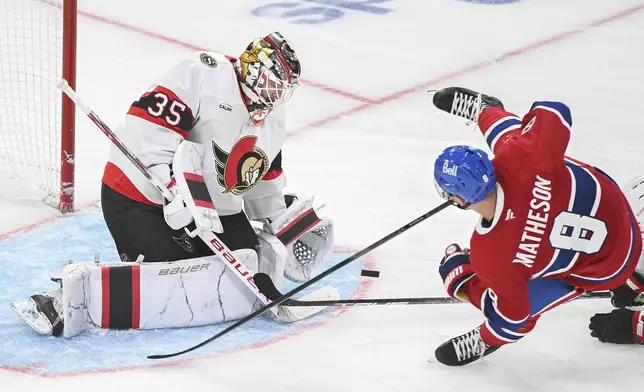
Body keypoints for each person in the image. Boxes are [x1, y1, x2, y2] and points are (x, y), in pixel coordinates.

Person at [10, 32, 335, 337]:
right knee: (171, 273)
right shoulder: (203, 75)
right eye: (271, 84)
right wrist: (170, 189)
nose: (275, 96)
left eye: (282, 90)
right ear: (252, 69)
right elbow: (147, 132)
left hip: (207, 205)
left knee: (249, 257)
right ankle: (65, 299)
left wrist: (278, 218)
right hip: (139, 197)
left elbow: (260, 173)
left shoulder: (274, 118)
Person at [429, 87, 644, 366]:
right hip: (618, 228)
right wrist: (508, 128)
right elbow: (552, 113)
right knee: (519, 143)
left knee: (515, 300)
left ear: (457, 199)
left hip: (607, 259)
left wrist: (468, 286)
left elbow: (513, 318)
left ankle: (487, 339)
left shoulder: (491, 258)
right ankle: (487, 109)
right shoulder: (519, 154)